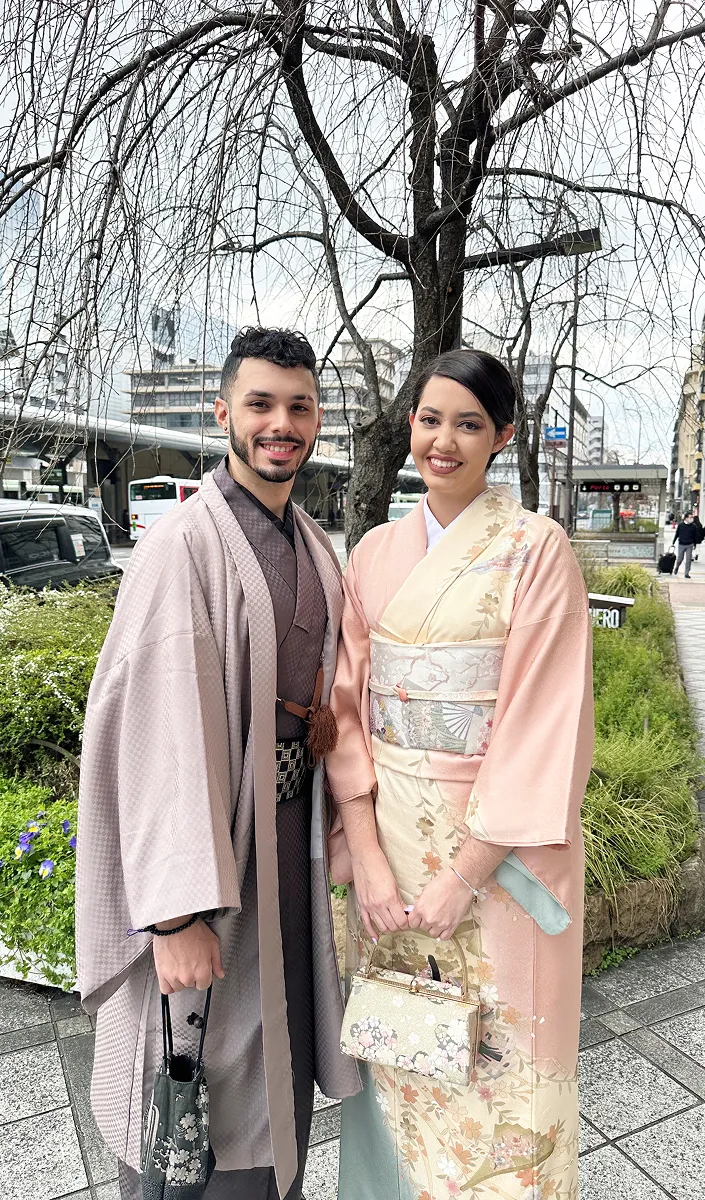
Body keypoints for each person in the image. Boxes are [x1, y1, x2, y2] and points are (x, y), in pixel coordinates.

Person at [76, 327, 360, 1200]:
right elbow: (153, 730)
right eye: (261, 405)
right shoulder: (182, 545)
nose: (281, 425)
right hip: (213, 866)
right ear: (223, 412)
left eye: (299, 407)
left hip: (285, 848)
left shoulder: (311, 540)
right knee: (190, 1104)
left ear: (317, 420)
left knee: (270, 1078)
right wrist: (170, 918)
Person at [325, 348, 594, 1199]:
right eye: (429, 419)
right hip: (393, 849)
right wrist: (365, 858)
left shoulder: (534, 549)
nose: (444, 440)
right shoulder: (371, 552)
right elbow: (346, 715)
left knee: (500, 1061)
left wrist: (462, 878)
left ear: (502, 436)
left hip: (500, 858)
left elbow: (543, 723)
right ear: (409, 426)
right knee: (407, 1043)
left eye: (468, 424)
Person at [673, 512, 699, 577]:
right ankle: (676, 567)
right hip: (681, 544)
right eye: (690, 517)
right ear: (686, 518)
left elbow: (695, 536)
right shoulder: (681, 525)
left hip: (690, 544)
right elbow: (677, 534)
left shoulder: (694, 526)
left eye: (692, 517)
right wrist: (673, 542)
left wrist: (695, 544)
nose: (691, 519)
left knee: (688, 560)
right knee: (680, 558)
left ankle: (686, 573)